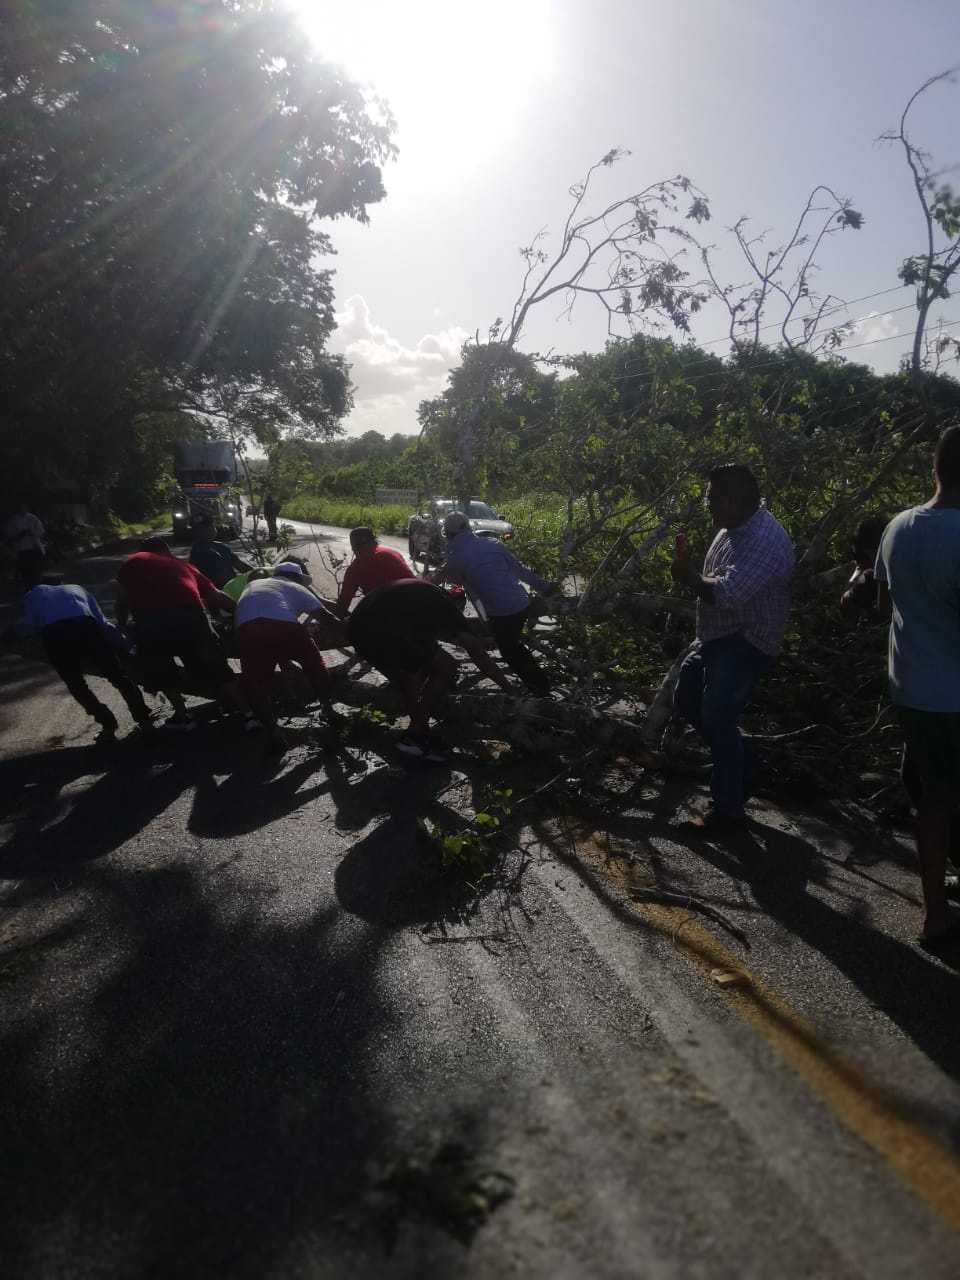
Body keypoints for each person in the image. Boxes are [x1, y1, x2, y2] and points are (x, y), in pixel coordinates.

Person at [670, 464, 795, 834]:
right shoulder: (735, 526)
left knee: (718, 716)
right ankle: (747, 763)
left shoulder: (763, 539)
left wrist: (688, 575)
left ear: (731, 499)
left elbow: (728, 593)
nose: (706, 504)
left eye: (709, 497)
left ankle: (727, 812)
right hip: (716, 637)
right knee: (687, 699)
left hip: (747, 639)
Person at [874, 425, 960, 949]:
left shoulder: (898, 528)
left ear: (934, 469)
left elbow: (884, 608)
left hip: (911, 689)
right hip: (954, 697)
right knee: (942, 799)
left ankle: (936, 903)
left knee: (935, 796)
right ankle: (934, 914)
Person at [312, 578, 514, 760]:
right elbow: (477, 653)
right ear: (457, 607)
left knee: (411, 674)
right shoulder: (446, 606)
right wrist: (509, 689)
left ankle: (419, 733)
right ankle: (414, 735)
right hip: (384, 628)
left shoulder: (420, 594)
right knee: (448, 666)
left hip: (358, 632)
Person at [116, 537, 243, 730]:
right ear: (166, 549)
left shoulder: (132, 562)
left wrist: (122, 625)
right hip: (192, 618)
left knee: (163, 669)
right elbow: (215, 596)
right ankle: (246, 710)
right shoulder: (183, 565)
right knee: (215, 665)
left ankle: (183, 717)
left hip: (151, 622)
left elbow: (123, 600)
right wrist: (241, 612)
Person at [434, 512, 555, 695]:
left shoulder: (455, 554)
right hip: (521, 603)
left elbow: (455, 581)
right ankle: (538, 684)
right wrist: (545, 587)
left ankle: (540, 687)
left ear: (448, 534)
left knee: (511, 651)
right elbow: (520, 571)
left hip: (501, 612)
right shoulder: (493, 544)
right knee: (512, 645)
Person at [15, 581, 153, 740]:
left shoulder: (32, 593)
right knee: (118, 676)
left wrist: (14, 633)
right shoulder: (77, 588)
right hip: (88, 629)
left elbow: (30, 626)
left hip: (56, 636)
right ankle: (145, 721)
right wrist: (129, 647)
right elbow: (102, 623)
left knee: (77, 684)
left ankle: (107, 724)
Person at [234, 561, 341, 752]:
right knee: (315, 666)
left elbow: (262, 618)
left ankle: (274, 732)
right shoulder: (295, 587)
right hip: (284, 627)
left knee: (256, 685)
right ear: (298, 578)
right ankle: (327, 709)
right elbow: (327, 618)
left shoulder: (254, 585)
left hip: (246, 630)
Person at [335, 527, 415, 618]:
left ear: (353, 548)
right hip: (423, 597)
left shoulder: (356, 567)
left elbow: (343, 603)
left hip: (394, 612)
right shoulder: (393, 553)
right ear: (375, 541)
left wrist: (334, 623)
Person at [188, 512, 253, 588]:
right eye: (202, 529)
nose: (209, 531)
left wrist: (257, 574)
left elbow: (241, 566)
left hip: (234, 587)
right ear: (194, 533)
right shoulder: (197, 554)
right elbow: (221, 577)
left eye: (211, 526)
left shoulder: (221, 546)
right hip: (219, 593)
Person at [7, 503, 45, 587]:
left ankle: (35, 585)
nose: (22, 509)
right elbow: (9, 533)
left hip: (33, 547)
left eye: (24, 508)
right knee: (24, 569)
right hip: (20, 549)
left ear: (27, 508)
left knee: (35, 569)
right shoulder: (14, 519)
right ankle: (27, 585)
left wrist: (32, 533)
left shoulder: (33, 518)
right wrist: (19, 535)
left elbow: (41, 530)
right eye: (20, 508)